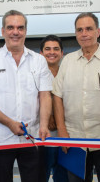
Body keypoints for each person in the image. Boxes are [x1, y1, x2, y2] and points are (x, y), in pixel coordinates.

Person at [52, 12, 100, 182]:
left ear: (98, 31)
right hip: (74, 140)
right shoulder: (68, 61)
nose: (84, 33)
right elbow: (57, 96)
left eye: (89, 29)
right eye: (79, 30)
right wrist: (62, 132)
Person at [0, 10, 53, 182]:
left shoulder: (38, 60)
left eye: (20, 27)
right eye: (10, 27)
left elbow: (45, 95)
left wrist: (44, 125)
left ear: (25, 31)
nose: (15, 32)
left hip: (32, 136)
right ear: (3, 31)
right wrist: (10, 123)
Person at [39, 35, 68, 182]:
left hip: (66, 134)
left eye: (56, 49)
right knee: (41, 174)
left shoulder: (68, 73)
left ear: (62, 53)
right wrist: (49, 117)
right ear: (41, 53)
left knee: (63, 176)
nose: (52, 52)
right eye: (47, 49)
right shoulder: (35, 75)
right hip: (45, 135)